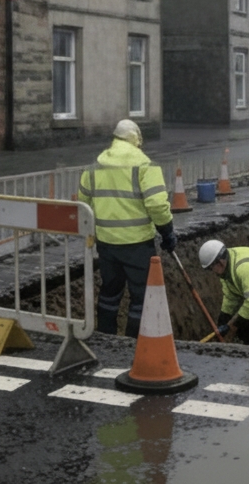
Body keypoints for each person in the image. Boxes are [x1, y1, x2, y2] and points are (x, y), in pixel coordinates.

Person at [78, 119, 176, 336]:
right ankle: (133, 343)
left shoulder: (95, 167)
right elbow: (157, 205)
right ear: (137, 140)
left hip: (106, 244)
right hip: (137, 245)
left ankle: (105, 336)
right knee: (141, 296)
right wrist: (167, 230)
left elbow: (83, 205)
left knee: (109, 293)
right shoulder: (145, 166)